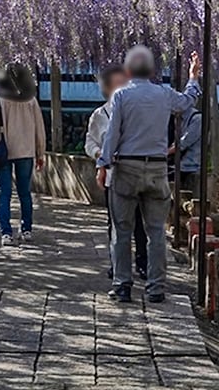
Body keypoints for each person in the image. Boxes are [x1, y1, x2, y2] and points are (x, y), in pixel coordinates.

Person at [97, 46, 202, 303]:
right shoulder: (164, 94)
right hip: (157, 168)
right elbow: (187, 102)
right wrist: (193, 77)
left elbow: (113, 134)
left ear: (128, 70)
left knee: (122, 231)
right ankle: (156, 289)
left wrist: (103, 164)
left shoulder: (122, 96)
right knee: (156, 232)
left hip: (127, 168)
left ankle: (122, 286)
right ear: (153, 70)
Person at [85, 64, 147, 280]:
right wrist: (99, 155)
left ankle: (142, 263)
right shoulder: (99, 114)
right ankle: (117, 264)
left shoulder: (138, 111)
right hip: (113, 175)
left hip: (137, 173)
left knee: (140, 222)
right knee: (116, 223)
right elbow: (90, 142)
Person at [0, 62, 46, 246]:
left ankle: (6, 233)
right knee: (24, 192)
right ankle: (26, 230)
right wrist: (40, 152)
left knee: (5, 192)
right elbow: (39, 128)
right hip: (26, 150)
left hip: (3, 150)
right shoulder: (30, 99)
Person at [173, 108, 204, 197]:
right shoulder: (177, 118)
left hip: (190, 166)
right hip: (178, 165)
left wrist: (164, 153)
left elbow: (182, 144)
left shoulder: (197, 119)